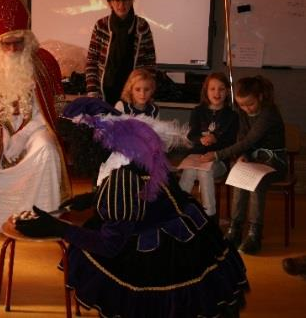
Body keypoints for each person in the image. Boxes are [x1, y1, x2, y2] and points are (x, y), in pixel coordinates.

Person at [15, 98, 249, 318]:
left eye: (73, 141)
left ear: (90, 140)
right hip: (176, 221)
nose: (71, 149)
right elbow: (141, 197)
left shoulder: (121, 180)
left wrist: (58, 228)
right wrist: (93, 199)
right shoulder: (129, 154)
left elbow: (110, 245)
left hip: (163, 249)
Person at [0, 0, 72, 230]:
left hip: (36, 126)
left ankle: (46, 215)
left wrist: (26, 133)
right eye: (7, 44)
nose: (14, 49)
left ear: (27, 38)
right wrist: (3, 136)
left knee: (47, 149)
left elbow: (55, 104)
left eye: (18, 42)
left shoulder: (45, 61)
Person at [201, 76, 287, 254]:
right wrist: (242, 155)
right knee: (239, 177)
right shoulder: (242, 112)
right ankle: (235, 228)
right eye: (241, 105)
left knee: (257, 183)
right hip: (253, 160)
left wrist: (218, 155)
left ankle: (255, 233)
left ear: (260, 97)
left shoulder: (269, 113)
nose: (246, 109)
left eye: (250, 104)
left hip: (274, 163)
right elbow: (241, 137)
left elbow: (249, 140)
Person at [178, 73, 239, 221]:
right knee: (188, 172)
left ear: (227, 91)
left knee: (204, 173)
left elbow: (232, 142)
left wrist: (215, 139)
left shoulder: (232, 116)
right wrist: (201, 139)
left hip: (218, 161)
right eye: (212, 89)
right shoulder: (198, 111)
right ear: (206, 91)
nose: (217, 93)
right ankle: (178, 212)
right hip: (196, 158)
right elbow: (191, 136)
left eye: (221, 89)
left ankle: (209, 217)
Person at [86, 0, 156, 106]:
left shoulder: (142, 26)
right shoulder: (101, 26)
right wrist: (93, 92)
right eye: (117, 0)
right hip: (105, 93)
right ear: (110, 3)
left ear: (132, 0)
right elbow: (92, 61)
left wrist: (146, 92)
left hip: (133, 94)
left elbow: (150, 63)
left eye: (126, 0)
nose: (121, 5)